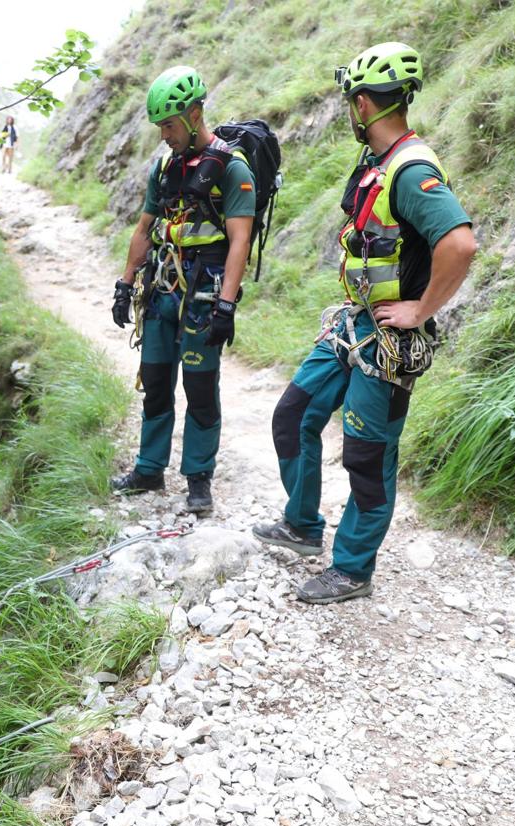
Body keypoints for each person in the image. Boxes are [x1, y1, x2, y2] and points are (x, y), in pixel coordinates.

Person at [252, 43, 477, 604]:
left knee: (366, 455)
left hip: (389, 340)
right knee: (293, 417)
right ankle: (302, 526)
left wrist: (421, 311)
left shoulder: (410, 169)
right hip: (353, 325)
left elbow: (460, 243)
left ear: (360, 104)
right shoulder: (377, 161)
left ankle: (352, 569)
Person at [110, 66, 256, 513]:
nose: (164, 135)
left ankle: (198, 480)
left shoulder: (232, 168)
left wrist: (226, 305)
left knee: (198, 384)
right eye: (159, 127)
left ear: (195, 114)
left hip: (203, 293)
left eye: (169, 125)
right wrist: (125, 282)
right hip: (162, 289)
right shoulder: (164, 167)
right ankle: (149, 470)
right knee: (155, 381)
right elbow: (144, 228)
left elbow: (239, 241)